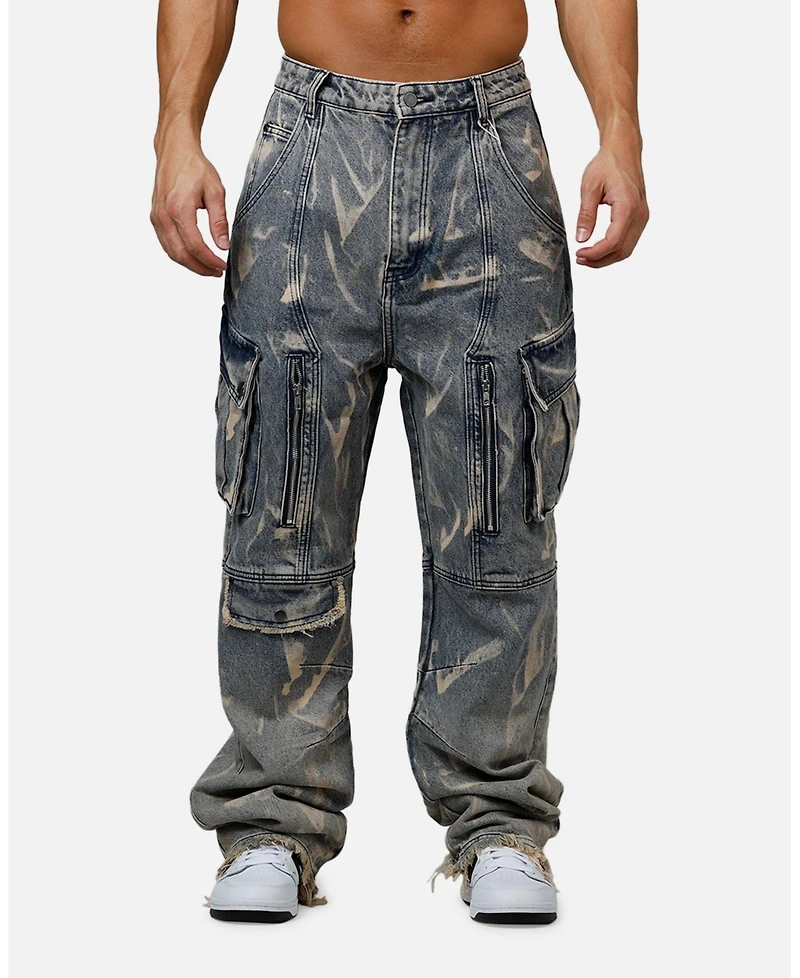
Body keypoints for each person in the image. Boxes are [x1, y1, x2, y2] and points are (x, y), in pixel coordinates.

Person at [151, 0, 648, 925]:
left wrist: (621, 130)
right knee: (283, 494)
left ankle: (500, 822)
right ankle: (271, 818)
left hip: (488, 144)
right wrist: (175, 132)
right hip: (315, 138)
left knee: (498, 503)